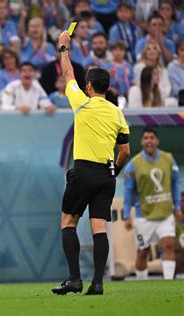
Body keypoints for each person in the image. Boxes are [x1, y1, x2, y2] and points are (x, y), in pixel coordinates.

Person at [52, 31, 130, 295]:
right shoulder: (118, 113)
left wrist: (64, 46)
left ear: (89, 86)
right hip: (106, 176)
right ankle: (98, 283)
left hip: (83, 171)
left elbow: (67, 75)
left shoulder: (82, 104)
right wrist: (114, 170)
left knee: (68, 222)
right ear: (107, 88)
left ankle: (74, 279)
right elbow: (125, 151)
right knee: (99, 227)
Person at [123, 128, 181, 280]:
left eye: (152, 137)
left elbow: (176, 183)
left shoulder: (168, 159)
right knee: (143, 252)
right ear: (142, 141)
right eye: (146, 138)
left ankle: (168, 281)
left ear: (157, 141)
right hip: (144, 216)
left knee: (168, 244)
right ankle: (142, 283)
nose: (149, 140)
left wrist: (177, 207)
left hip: (165, 213)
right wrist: (126, 215)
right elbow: (128, 191)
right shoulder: (134, 165)